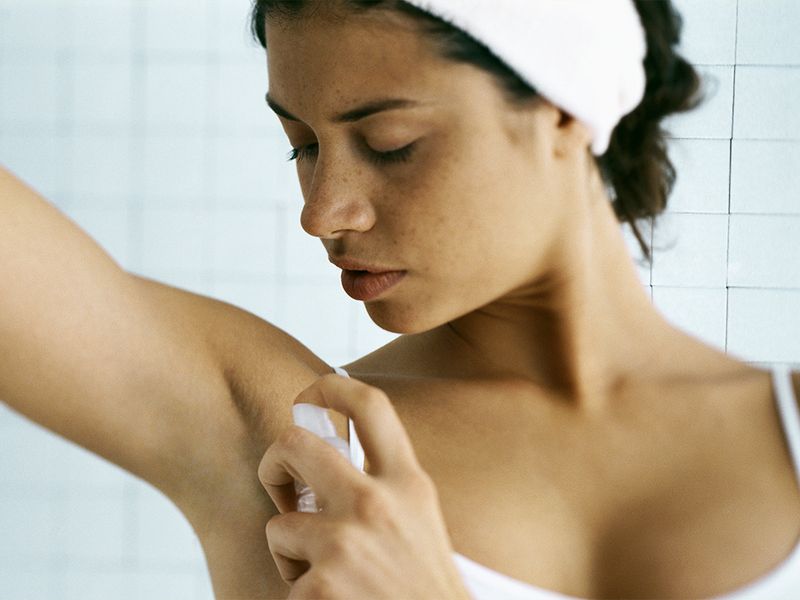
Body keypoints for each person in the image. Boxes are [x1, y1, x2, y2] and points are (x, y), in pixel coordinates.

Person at [1, 0, 799, 598]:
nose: (322, 211)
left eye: (392, 145)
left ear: (563, 106)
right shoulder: (299, 443)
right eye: (302, 148)